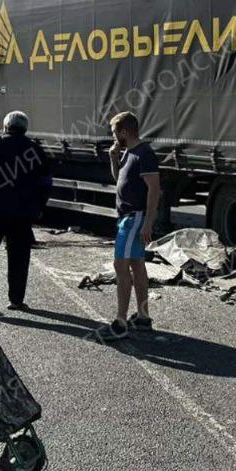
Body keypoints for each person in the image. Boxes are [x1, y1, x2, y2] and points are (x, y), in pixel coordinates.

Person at [0, 110, 53, 316]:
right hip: (23, 213)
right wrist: (39, 207)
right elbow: (47, 183)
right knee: (19, 256)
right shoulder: (35, 149)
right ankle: (16, 299)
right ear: (25, 129)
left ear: (5, 127)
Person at [106, 111, 161, 336]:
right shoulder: (129, 152)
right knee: (137, 265)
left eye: (114, 132)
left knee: (121, 266)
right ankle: (143, 316)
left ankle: (120, 321)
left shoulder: (144, 153)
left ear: (124, 131)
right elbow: (118, 178)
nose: (113, 137)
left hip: (134, 218)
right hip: (128, 217)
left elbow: (154, 189)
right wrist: (113, 158)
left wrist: (148, 222)